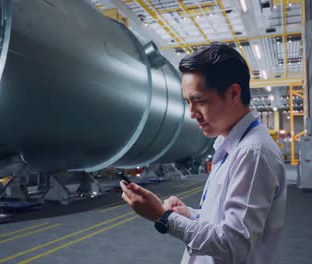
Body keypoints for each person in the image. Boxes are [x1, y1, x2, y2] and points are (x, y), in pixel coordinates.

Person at [120, 43, 286, 264]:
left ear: (233, 93)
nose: (191, 113)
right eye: (188, 102)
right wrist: (189, 214)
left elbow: (233, 244)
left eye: (199, 101)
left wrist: (163, 217)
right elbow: (223, 223)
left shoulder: (252, 153)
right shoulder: (229, 145)